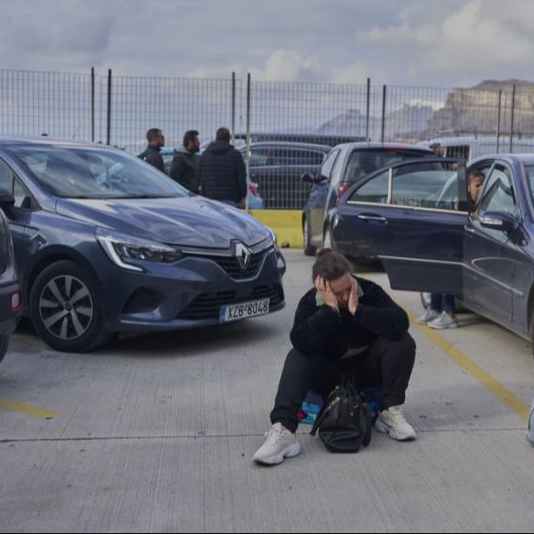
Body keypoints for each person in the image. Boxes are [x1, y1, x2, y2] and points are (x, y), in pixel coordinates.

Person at [253, 249, 418, 466]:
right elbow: (301, 342)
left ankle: (389, 412)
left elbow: (400, 322)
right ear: (321, 287)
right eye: (337, 293)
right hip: (329, 377)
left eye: (348, 288)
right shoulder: (310, 303)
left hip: (364, 372)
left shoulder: (368, 290)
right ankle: (284, 431)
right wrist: (329, 311)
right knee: (297, 355)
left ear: (351, 276)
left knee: (402, 341)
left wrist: (358, 311)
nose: (344, 296)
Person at [418, 170, 485, 330]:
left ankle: (449, 314)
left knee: (448, 265)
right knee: (438, 260)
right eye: (477, 185)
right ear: (468, 187)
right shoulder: (461, 203)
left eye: (483, 185)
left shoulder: (485, 203)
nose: (480, 189)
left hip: (472, 249)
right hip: (460, 245)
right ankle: (434, 308)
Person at [200, 127, 247, 206]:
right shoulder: (235, 155)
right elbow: (241, 178)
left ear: (216, 137)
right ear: (228, 139)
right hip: (230, 198)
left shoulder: (205, 155)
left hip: (209, 198)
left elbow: (201, 177)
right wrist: (243, 196)